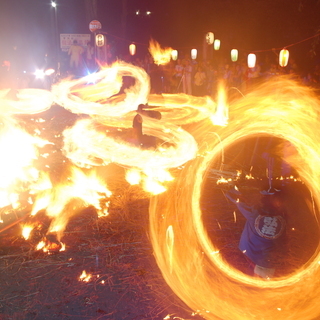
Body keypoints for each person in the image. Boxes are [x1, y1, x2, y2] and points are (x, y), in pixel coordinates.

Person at [226, 187, 286, 279]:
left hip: (253, 257)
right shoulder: (284, 216)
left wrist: (233, 189)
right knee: (263, 286)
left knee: (254, 285)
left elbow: (231, 196)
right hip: (271, 261)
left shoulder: (254, 213)